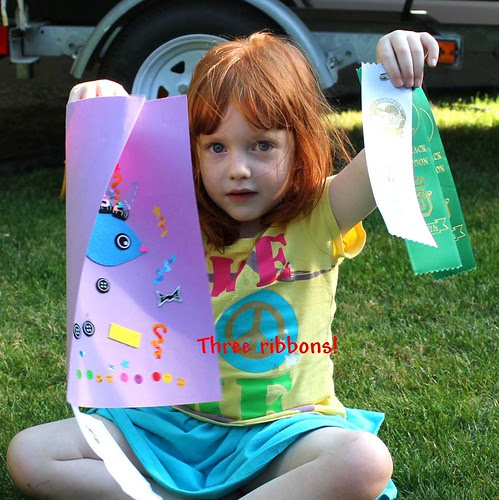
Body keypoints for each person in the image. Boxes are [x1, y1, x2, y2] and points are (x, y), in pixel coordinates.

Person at [7, 30, 439, 499]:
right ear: (192, 149)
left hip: (281, 436)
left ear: (299, 144)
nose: (238, 169)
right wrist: (102, 108)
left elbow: (391, 157)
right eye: (217, 147)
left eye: (262, 145)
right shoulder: (169, 217)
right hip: (167, 427)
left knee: (364, 460)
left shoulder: (321, 214)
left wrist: (394, 77)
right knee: (31, 452)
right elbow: (107, 183)